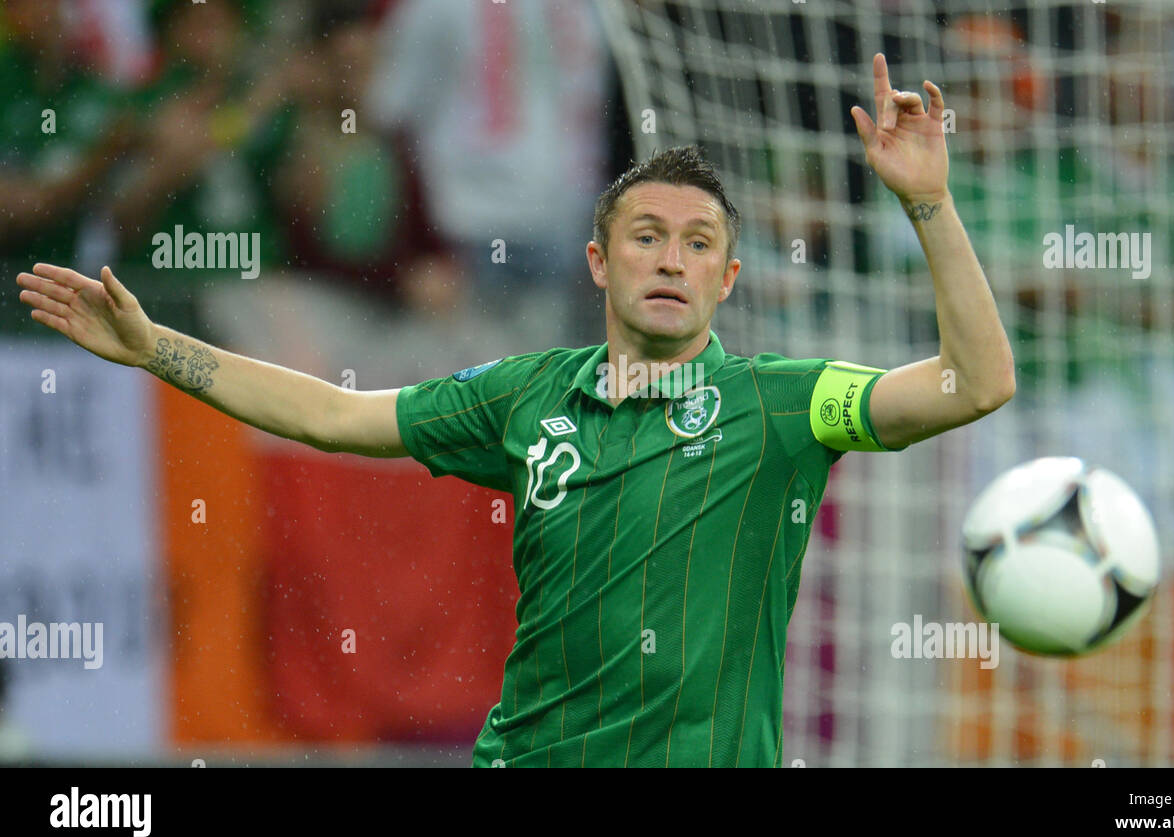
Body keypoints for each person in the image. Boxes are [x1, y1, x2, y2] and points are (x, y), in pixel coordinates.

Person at [16, 55, 1014, 767]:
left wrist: (928, 204)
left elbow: (974, 383)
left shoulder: (790, 403)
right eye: (646, 236)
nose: (671, 258)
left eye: (698, 242)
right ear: (598, 262)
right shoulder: (523, 394)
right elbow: (331, 414)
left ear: (727, 277)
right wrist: (159, 349)